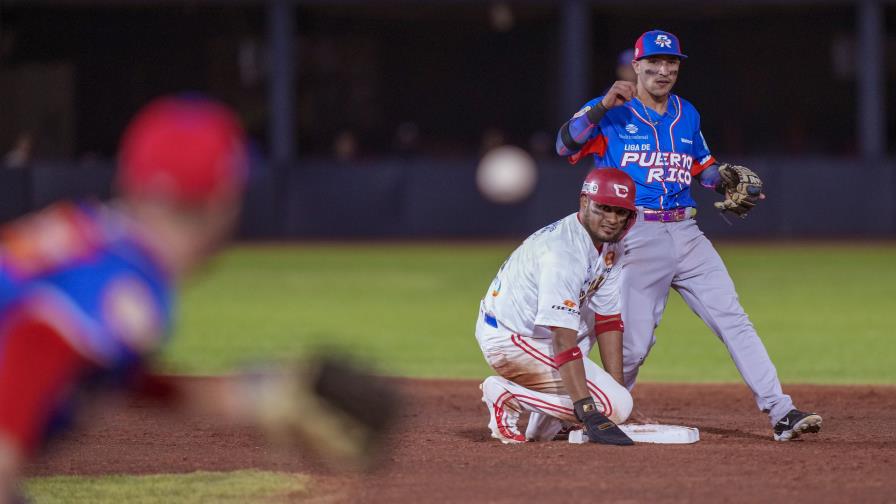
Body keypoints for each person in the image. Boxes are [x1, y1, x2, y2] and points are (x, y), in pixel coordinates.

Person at [0, 96, 394, 501]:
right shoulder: (127, 289)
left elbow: (99, 364)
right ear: (222, 202)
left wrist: (237, 398)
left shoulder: (91, 230)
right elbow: (38, 338)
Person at [555, 29, 822, 442]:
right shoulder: (613, 109)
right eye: (655, 63)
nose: (664, 71)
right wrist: (600, 107)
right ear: (637, 66)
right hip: (635, 234)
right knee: (633, 344)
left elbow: (703, 168)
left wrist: (726, 180)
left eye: (672, 63)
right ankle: (592, 412)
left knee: (733, 319)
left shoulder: (687, 114)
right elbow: (563, 143)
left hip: (687, 230)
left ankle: (780, 410)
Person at [476, 168, 639, 446]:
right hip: (512, 339)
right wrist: (593, 409)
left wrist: (615, 388)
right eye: (604, 208)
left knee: (542, 436)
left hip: (541, 334)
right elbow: (563, 340)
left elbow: (608, 319)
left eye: (620, 212)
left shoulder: (612, 245)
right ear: (585, 202)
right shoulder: (563, 253)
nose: (612, 219)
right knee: (616, 407)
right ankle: (506, 395)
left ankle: (557, 418)